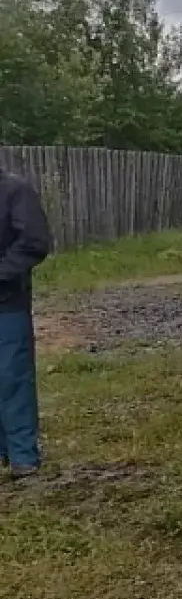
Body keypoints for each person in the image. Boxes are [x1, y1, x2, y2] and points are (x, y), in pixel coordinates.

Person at [0, 169, 52, 481]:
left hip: (7, 304)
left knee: (11, 378)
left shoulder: (14, 190)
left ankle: (23, 456)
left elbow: (34, 242)